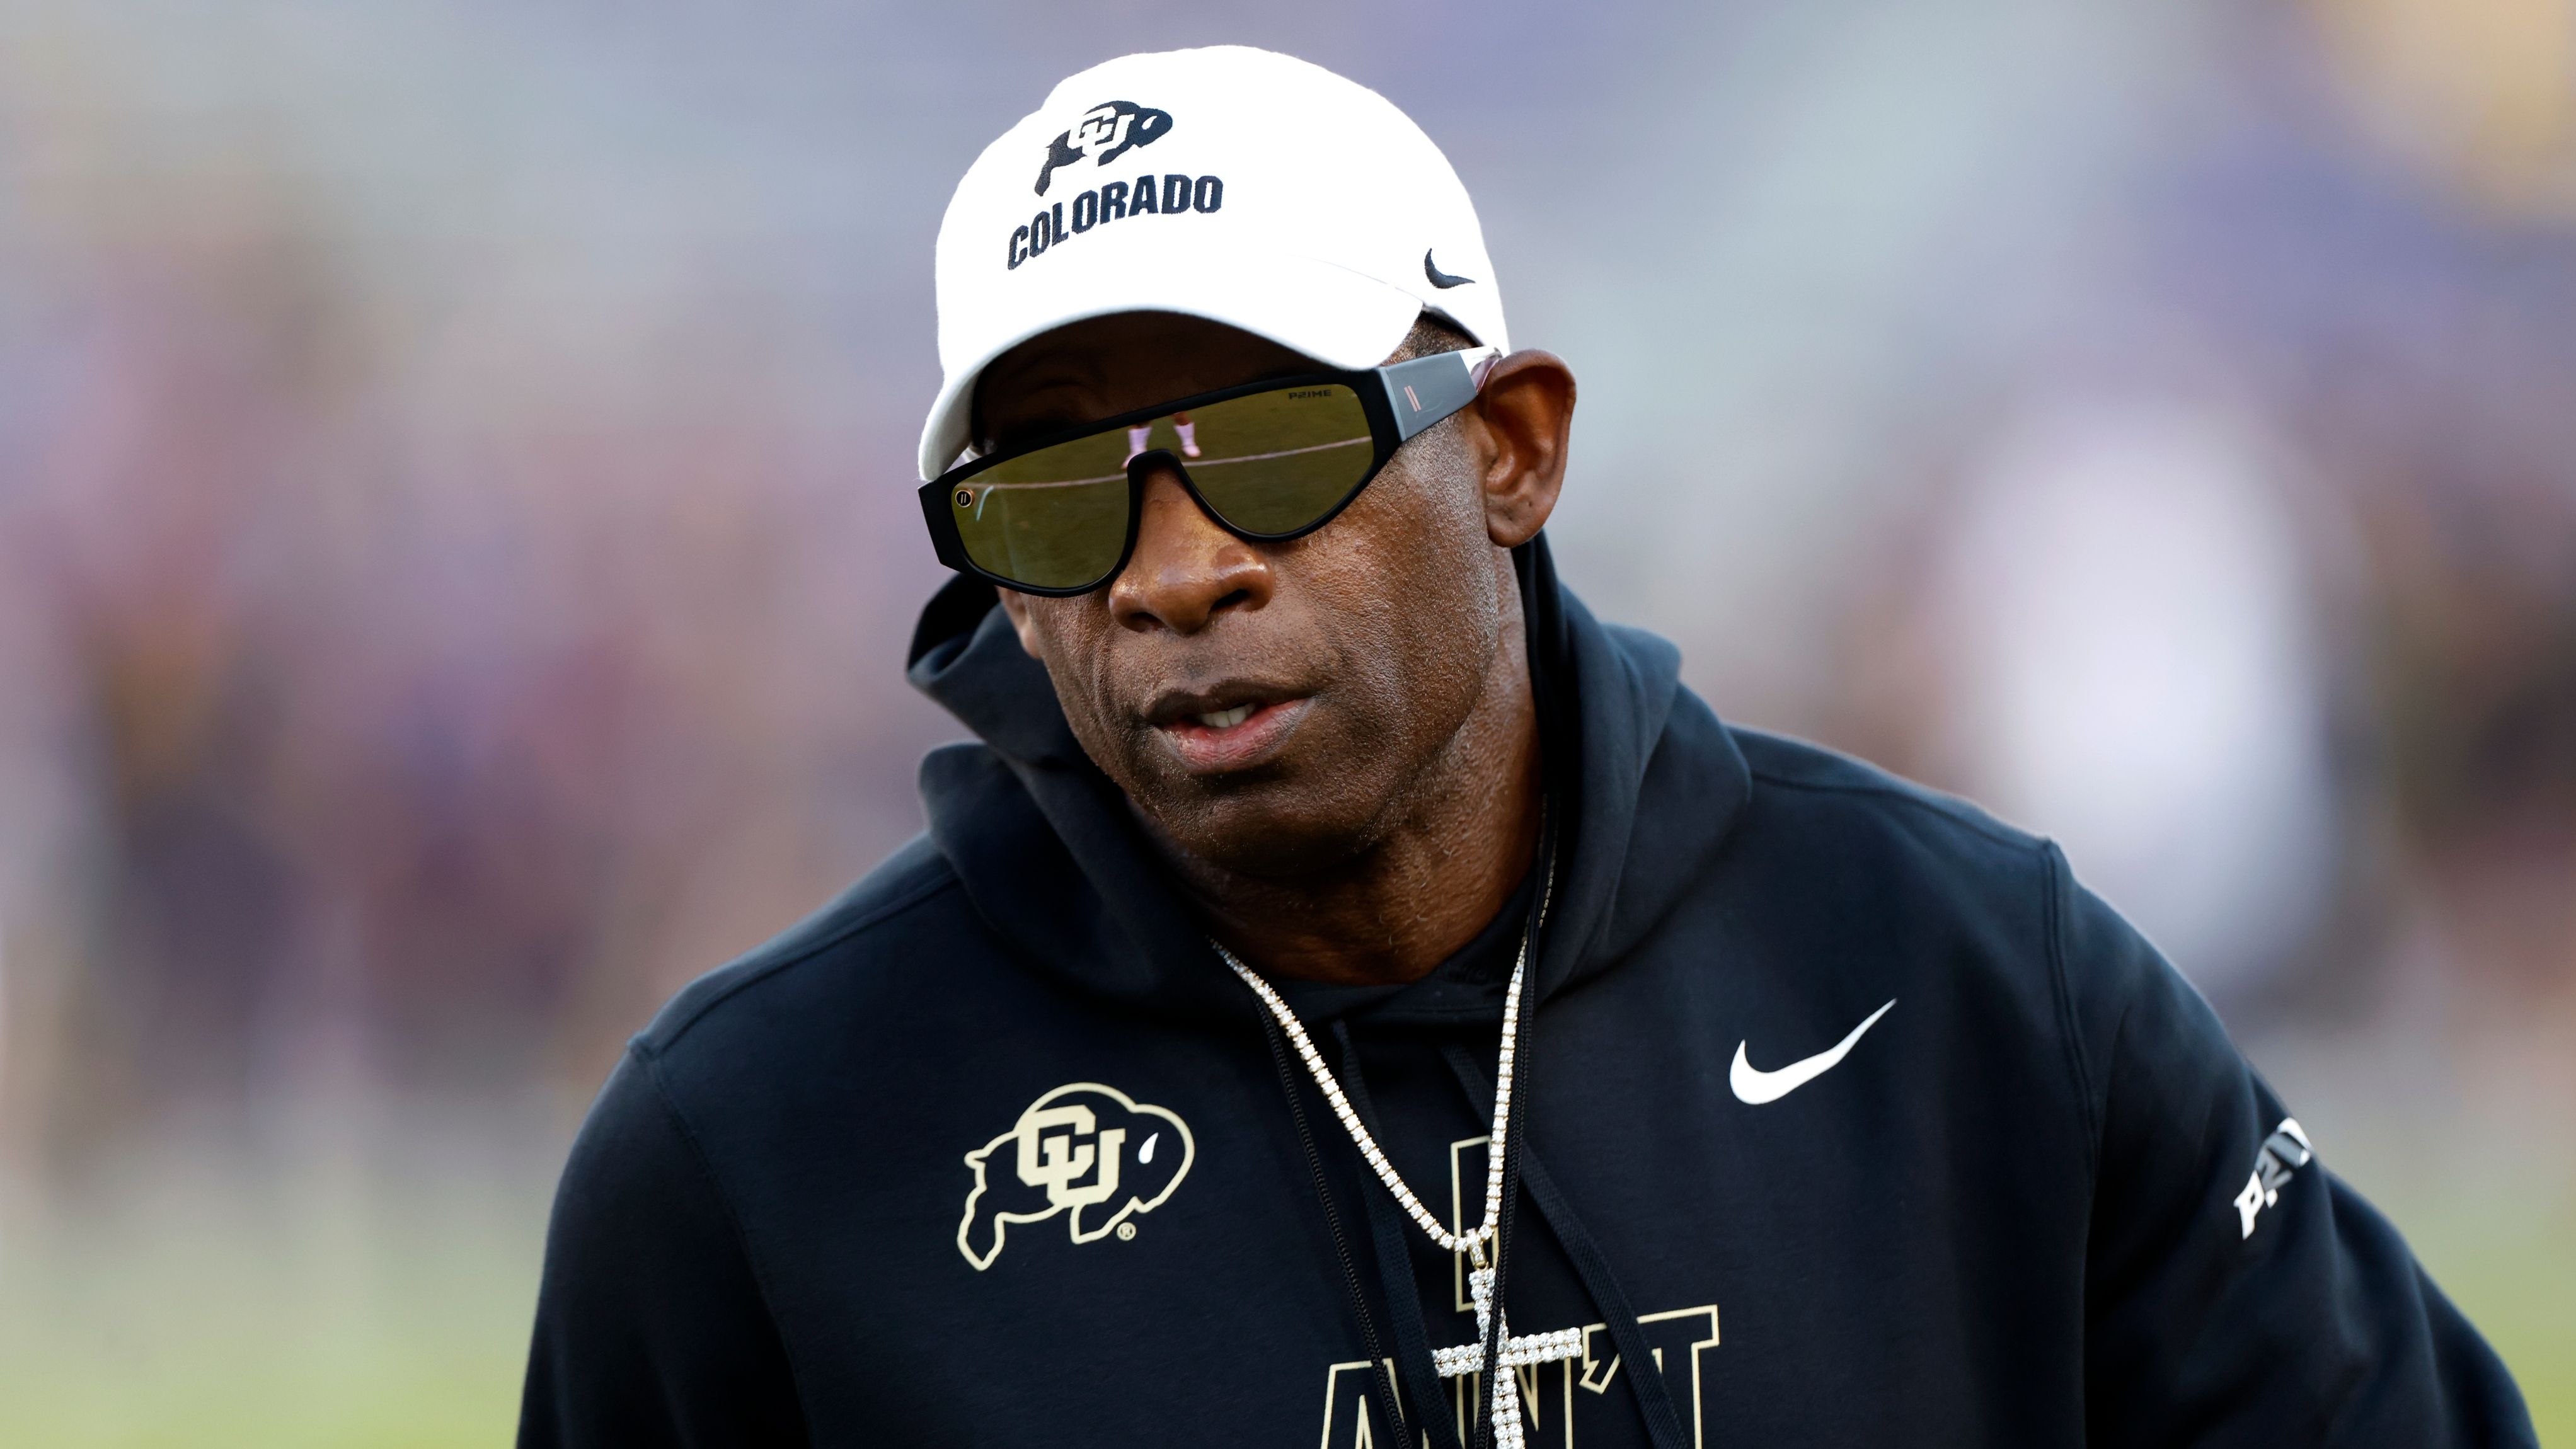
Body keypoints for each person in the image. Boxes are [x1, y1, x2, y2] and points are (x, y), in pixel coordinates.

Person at [517, 46, 2535, 1449]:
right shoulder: (757, 1151)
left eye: (1273, 446)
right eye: (1054, 497)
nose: (1178, 570)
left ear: (1509, 446)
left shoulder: (1976, 987)